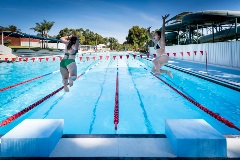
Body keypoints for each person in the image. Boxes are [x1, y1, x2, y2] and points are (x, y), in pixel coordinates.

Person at [147, 14, 173, 78]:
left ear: (159, 35)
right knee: (153, 70)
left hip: (164, 57)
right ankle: (168, 72)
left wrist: (164, 20)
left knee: (154, 61)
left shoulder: (161, 41)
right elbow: (150, 37)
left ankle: (158, 71)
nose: (153, 36)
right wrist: (148, 31)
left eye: (155, 35)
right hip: (160, 59)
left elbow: (163, 31)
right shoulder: (156, 42)